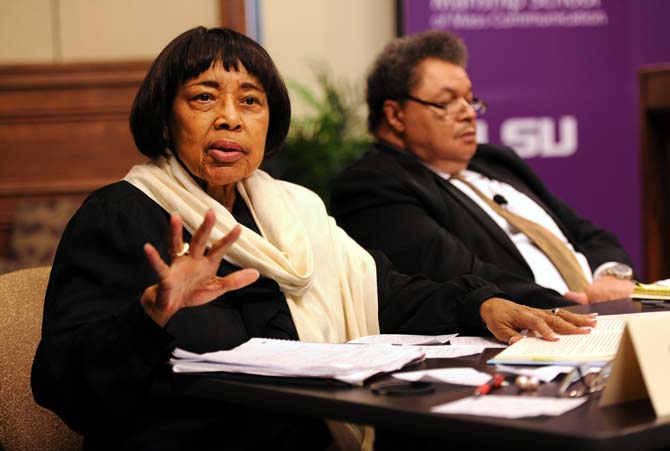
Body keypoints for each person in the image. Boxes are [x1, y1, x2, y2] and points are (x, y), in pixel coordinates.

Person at [31, 27, 596, 451]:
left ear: (268, 123)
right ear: (164, 117)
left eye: (250, 101)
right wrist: (148, 315)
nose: (230, 118)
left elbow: (387, 291)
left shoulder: (293, 211)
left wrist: (482, 303)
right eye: (205, 97)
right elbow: (60, 385)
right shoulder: (120, 216)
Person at [331, 30, 635, 308]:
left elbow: (590, 235)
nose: (468, 114)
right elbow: (464, 278)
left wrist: (611, 276)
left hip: (609, 312)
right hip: (535, 331)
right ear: (396, 115)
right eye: (447, 102)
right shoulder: (375, 184)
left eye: (469, 99)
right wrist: (577, 307)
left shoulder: (497, 162)